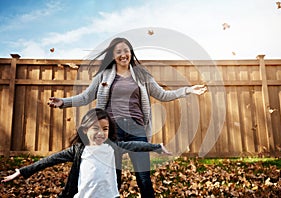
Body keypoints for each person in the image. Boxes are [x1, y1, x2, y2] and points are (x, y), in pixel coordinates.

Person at [47, 37, 207, 197]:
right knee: (114, 177)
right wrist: (63, 102)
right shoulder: (104, 75)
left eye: (126, 50)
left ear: (131, 52)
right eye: (118, 51)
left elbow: (162, 94)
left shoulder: (142, 75)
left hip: (137, 130)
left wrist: (188, 90)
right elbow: (86, 97)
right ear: (112, 55)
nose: (123, 54)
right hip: (113, 131)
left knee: (144, 177)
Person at [1, 108, 171, 198]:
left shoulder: (113, 148)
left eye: (105, 129)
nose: (100, 133)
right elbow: (49, 161)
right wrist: (23, 171)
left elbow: (135, 145)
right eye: (95, 128)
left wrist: (156, 147)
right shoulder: (78, 150)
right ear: (84, 130)